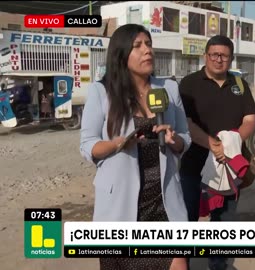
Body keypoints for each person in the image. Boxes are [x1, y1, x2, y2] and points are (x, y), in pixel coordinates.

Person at [79, 24, 190, 270]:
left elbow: (185, 136)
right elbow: (88, 145)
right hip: (121, 207)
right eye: (138, 46)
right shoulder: (102, 92)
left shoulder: (169, 89)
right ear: (121, 54)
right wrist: (120, 143)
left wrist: (175, 141)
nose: (147, 51)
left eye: (149, 44)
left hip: (163, 202)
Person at [179, 35, 255, 270]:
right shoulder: (189, 83)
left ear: (231, 58)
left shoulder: (239, 85)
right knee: (188, 217)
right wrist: (212, 143)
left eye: (224, 55)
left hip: (228, 166)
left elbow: (250, 119)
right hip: (194, 163)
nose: (218, 59)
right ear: (206, 55)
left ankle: (218, 263)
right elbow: (186, 121)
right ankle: (185, 263)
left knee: (224, 220)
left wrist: (231, 144)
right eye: (214, 54)